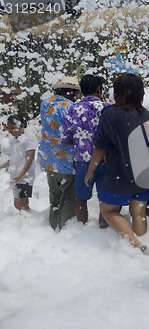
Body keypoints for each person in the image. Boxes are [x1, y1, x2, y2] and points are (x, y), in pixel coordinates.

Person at [84, 73, 149, 254]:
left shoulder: (109, 115)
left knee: (108, 210)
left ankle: (136, 245)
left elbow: (100, 147)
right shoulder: (145, 114)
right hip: (144, 171)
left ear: (117, 91)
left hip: (120, 171)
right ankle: (144, 243)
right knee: (139, 212)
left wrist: (91, 171)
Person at [61, 74, 109, 227]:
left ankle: (81, 228)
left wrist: (81, 144)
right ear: (98, 89)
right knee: (105, 198)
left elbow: (65, 138)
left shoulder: (73, 109)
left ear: (81, 90)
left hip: (82, 160)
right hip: (105, 159)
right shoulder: (107, 108)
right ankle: (103, 228)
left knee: (81, 197)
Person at [38, 76, 80, 230]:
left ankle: (53, 224)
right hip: (66, 159)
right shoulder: (71, 107)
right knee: (68, 195)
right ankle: (64, 229)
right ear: (72, 92)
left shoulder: (45, 104)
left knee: (54, 194)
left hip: (48, 158)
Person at [0, 114, 37, 211]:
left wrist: (20, 175)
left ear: (21, 126)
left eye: (12, 128)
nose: (10, 131)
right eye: (9, 128)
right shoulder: (14, 141)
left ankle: (28, 219)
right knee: (23, 203)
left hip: (25, 177)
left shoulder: (28, 140)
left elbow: (30, 160)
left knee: (18, 203)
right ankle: (28, 219)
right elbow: (12, 160)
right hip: (16, 177)